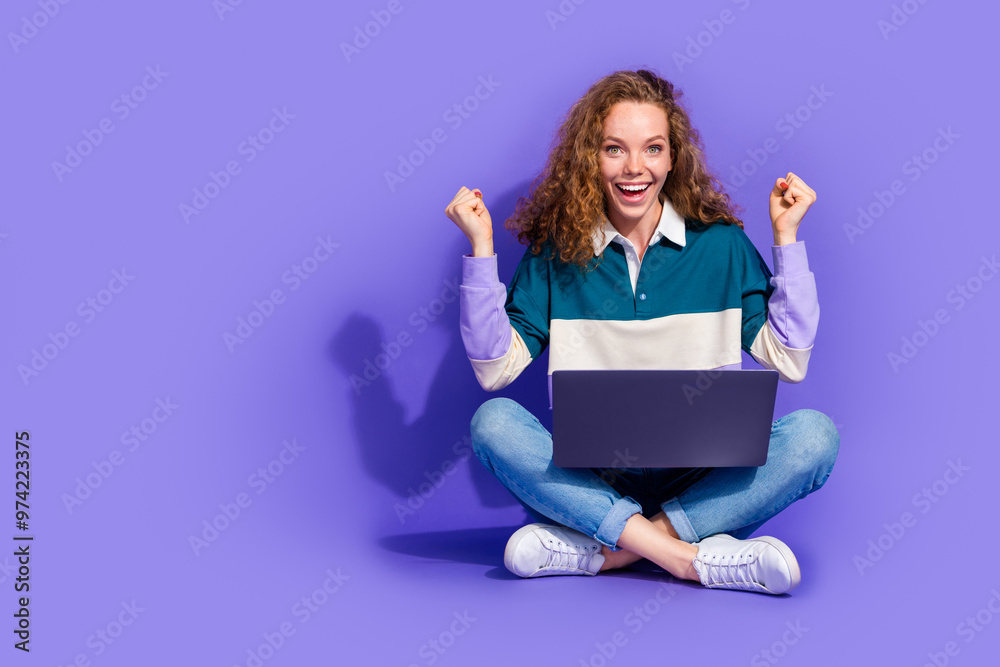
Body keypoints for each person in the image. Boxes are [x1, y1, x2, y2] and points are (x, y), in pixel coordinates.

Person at [443, 69, 839, 595]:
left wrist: (786, 239)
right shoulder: (556, 253)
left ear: (673, 157)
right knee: (493, 423)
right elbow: (495, 371)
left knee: (815, 436)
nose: (635, 168)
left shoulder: (721, 245)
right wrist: (481, 249)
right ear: (592, 157)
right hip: (594, 479)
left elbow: (790, 360)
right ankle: (689, 560)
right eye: (615, 149)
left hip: (704, 480)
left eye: (653, 148)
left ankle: (610, 554)